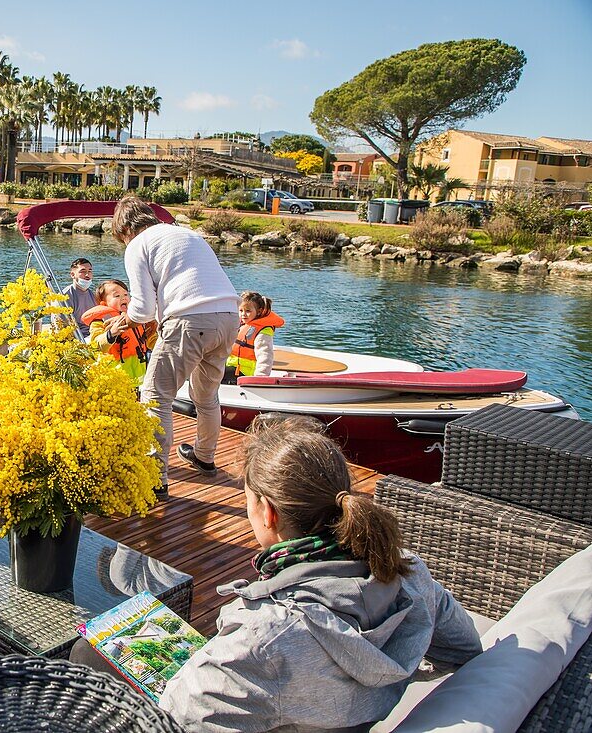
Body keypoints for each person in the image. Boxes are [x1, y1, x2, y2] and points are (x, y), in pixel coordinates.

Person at [155, 417, 482, 732]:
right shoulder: (408, 572)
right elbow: (463, 651)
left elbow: (165, 722)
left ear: (268, 512)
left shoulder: (263, 640)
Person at [112, 196, 238, 494]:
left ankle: (156, 479)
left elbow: (142, 310)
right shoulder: (186, 233)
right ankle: (204, 457)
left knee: (156, 395)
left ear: (126, 229)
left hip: (190, 321)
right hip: (229, 316)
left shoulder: (138, 245)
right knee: (206, 396)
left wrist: (122, 322)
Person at [81, 279, 158, 389]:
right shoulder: (101, 321)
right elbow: (96, 346)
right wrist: (111, 334)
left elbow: (150, 341)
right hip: (113, 380)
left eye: (126, 294)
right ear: (104, 303)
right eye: (117, 296)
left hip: (137, 377)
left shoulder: (135, 319)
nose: (123, 298)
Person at [224, 290, 284, 383]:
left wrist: (260, 378)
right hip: (232, 368)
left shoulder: (262, 331)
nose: (243, 314)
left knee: (209, 375)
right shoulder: (242, 325)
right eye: (241, 310)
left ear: (259, 311)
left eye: (248, 311)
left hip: (244, 374)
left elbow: (265, 356)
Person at [61, 257, 96, 339]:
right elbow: (62, 325)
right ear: (72, 275)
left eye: (90, 271)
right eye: (83, 272)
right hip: (77, 338)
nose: (87, 275)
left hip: (93, 333)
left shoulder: (93, 295)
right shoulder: (65, 296)